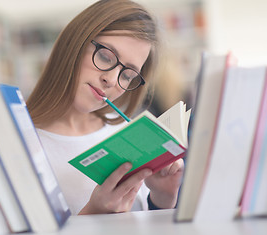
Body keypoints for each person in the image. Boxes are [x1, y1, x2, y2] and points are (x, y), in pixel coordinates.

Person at [26, 0, 184, 215]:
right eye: (105, 56)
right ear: (74, 43)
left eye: (128, 75)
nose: (111, 79)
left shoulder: (125, 135)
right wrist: (92, 214)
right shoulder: (16, 140)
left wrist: (161, 200)